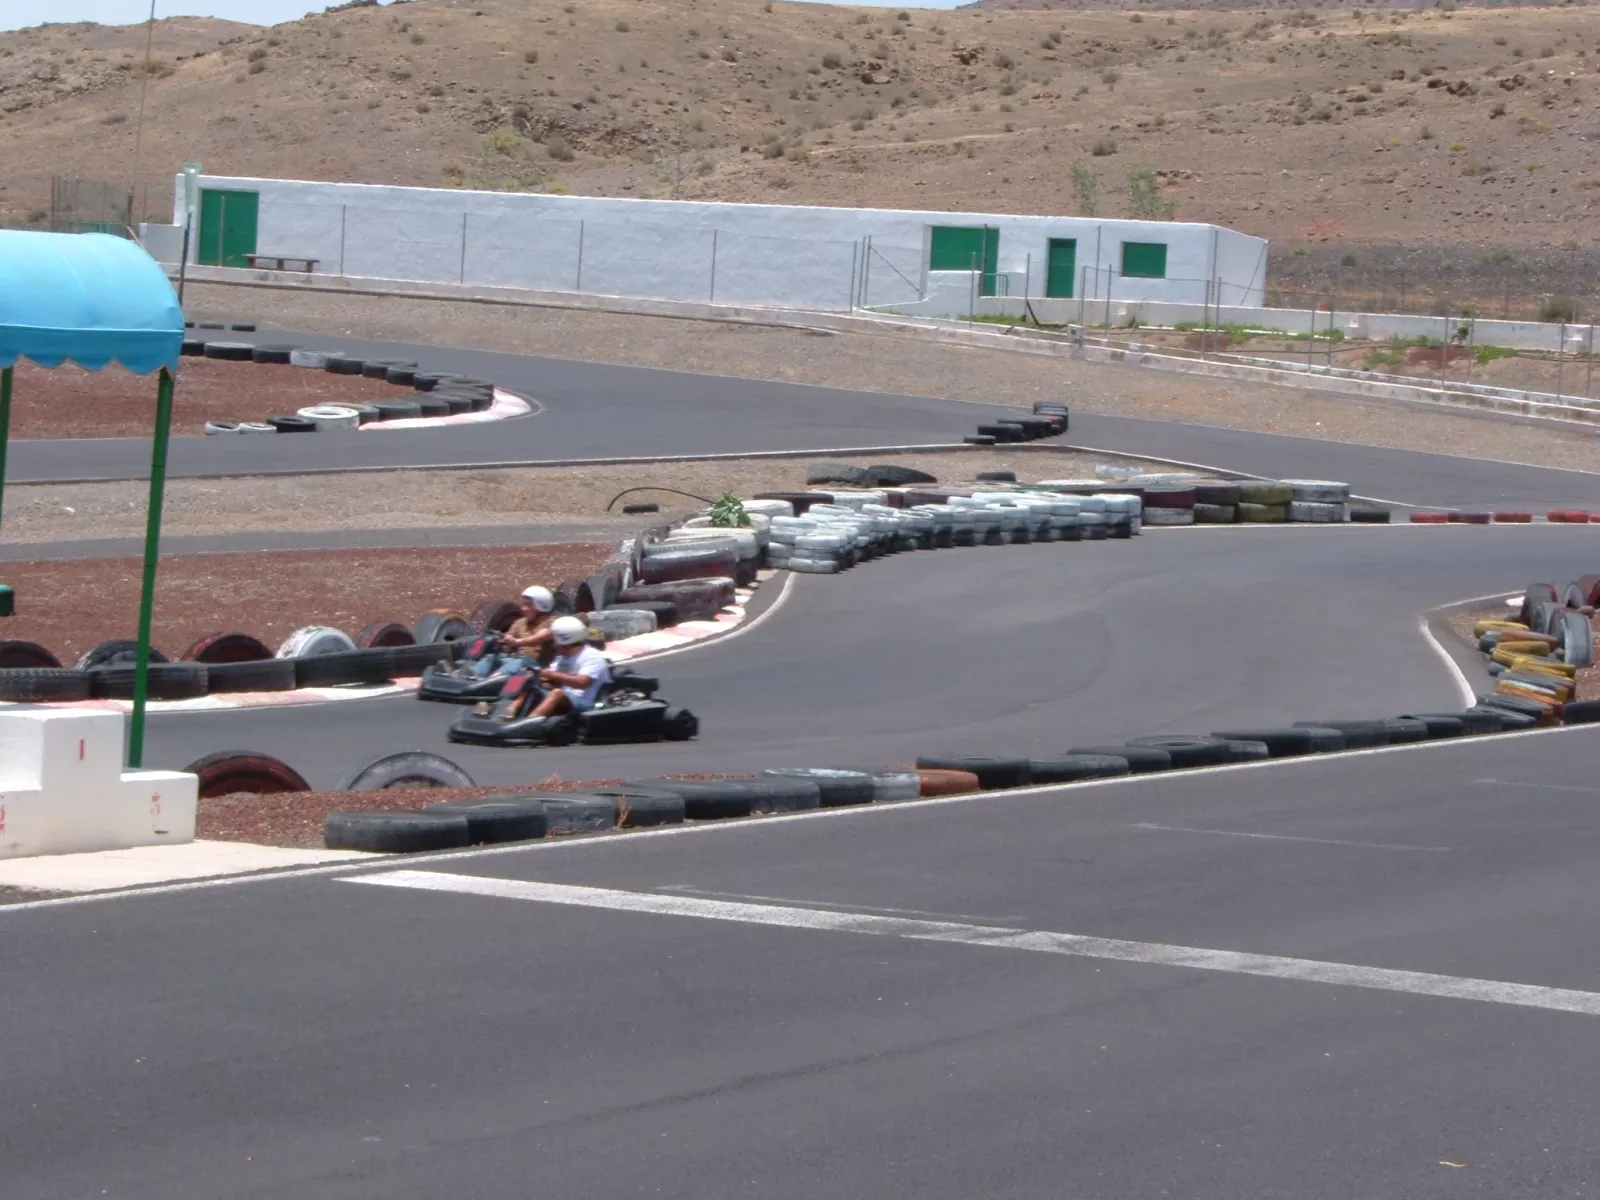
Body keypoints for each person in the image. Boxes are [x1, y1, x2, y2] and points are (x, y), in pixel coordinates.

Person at [527, 615, 611, 718]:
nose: (553, 644)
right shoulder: (563, 657)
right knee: (527, 687)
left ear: (565, 642)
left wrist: (553, 675)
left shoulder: (591, 656)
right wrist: (535, 674)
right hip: (566, 697)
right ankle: (509, 716)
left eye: (555, 641)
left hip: (585, 701)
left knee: (557, 693)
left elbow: (582, 683)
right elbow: (551, 674)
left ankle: (528, 724)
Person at [502, 585, 557, 666]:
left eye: (528, 605)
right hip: (518, 664)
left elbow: (540, 637)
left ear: (542, 606)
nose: (523, 608)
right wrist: (505, 640)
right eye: (523, 604)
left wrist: (516, 642)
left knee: (518, 662)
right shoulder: (520, 622)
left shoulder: (553, 622)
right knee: (491, 658)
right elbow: (509, 637)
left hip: (538, 668)